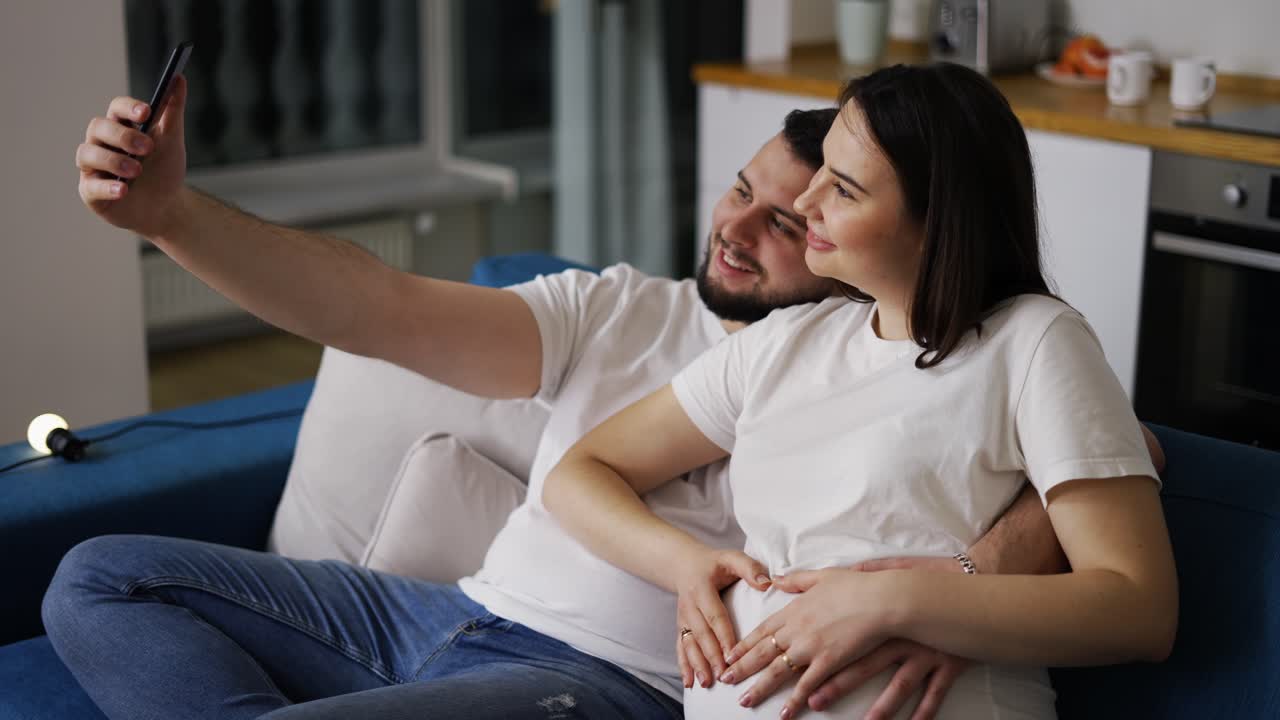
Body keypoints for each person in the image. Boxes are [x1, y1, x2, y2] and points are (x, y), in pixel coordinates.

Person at [51, 69, 1160, 720]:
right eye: (745, 190)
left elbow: (1104, 457)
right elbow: (374, 307)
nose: (748, 224)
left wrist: (970, 573)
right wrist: (170, 218)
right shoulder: (653, 321)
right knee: (103, 575)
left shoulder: (987, 345)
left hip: (594, 679)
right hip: (446, 617)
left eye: (800, 212)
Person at [542, 62, 1177, 720]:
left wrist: (900, 603)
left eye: (843, 190)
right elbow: (581, 473)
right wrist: (685, 565)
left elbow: (1139, 608)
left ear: (937, 224)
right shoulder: (784, 343)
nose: (806, 201)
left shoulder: (1034, 341)